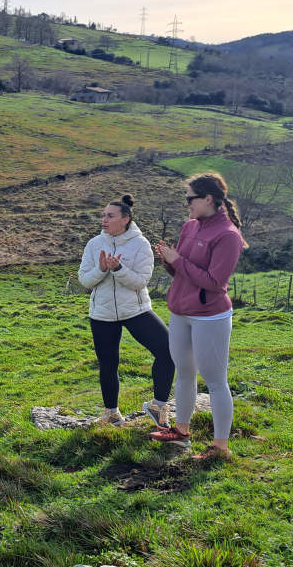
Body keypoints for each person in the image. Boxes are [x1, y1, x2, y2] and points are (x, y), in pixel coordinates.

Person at [151, 172, 248, 461]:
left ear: (208, 199)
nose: (186, 204)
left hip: (209, 316)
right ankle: (181, 433)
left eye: (190, 198)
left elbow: (214, 282)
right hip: (180, 311)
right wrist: (169, 261)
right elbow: (184, 272)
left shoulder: (228, 235)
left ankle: (221, 447)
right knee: (184, 373)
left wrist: (177, 260)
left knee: (216, 381)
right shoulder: (189, 227)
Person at [78, 193, 174, 428]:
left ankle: (158, 405)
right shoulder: (94, 244)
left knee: (169, 350)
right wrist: (101, 269)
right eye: (103, 215)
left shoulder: (140, 245)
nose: (104, 220)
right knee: (108, 364)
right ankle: (111, 414)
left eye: (110, 216)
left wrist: (118, 268)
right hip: (102, 313)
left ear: (125, 219)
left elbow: (140, 281)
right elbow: (84, 280)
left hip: (136, 310)